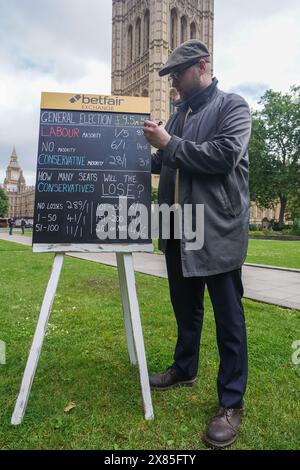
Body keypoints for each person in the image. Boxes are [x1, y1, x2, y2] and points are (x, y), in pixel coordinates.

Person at [143, 39, 251, 449]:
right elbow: (163, 161)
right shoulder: (177, 114)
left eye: (178, 74)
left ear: (202, 67)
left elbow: (221, 156)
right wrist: (137, 146)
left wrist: (168, 145)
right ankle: (184, 368)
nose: (173, 82)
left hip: (216, 230)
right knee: (185, 311)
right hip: (176, 227)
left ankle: (230, 402)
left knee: (229, 321)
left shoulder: (232, 107)